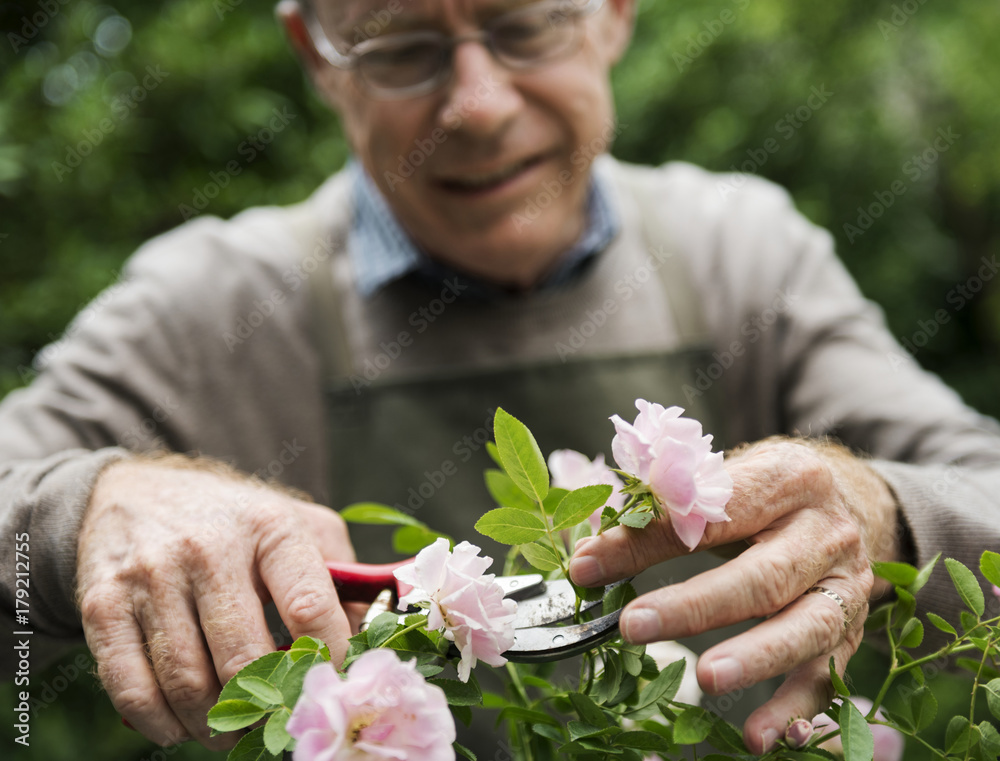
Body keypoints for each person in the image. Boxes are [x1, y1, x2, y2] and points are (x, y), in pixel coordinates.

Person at [2, 0, 998, 756]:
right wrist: (77, 511)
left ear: (611, 15)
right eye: (400, 47)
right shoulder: (207, 307)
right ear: (319, 58)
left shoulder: (745, 256)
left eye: (522, 26)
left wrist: (883, 509)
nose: (476, 107)